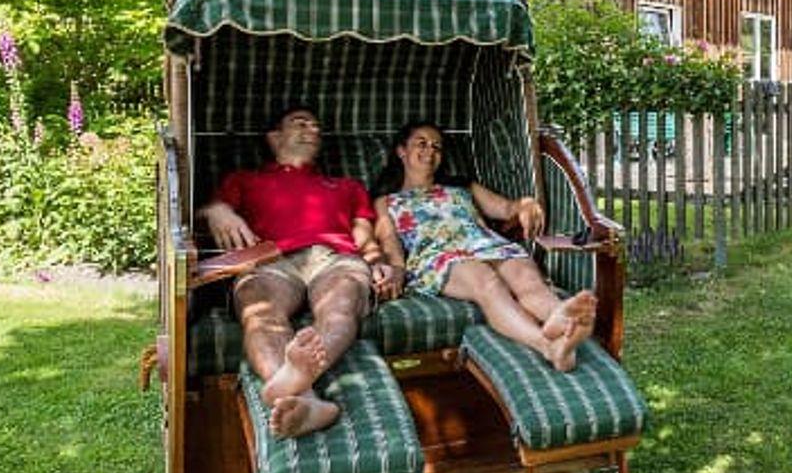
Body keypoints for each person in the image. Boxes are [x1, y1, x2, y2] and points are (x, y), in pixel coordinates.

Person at [195, 105, 401, 438]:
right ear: (274, 137)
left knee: (342, 304)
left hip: (336, 258)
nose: (312, 129)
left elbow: (364, 234)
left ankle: (291, 387)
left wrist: (378, 262)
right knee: (258, 309)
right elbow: (201, 214)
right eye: (300, 123)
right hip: (270, 259)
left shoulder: (347, 186)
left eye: (316, 126)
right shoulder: (244, 180)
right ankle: (306, 401)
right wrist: (217, 210)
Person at [370, 122, 596, 371]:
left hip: (486, 243)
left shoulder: (462, 187)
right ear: (401, 151)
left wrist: (526, 203)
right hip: (439, 256)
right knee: (487, 281)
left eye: (437, 147)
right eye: (421, 144)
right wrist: (397, 270)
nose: (430, 151)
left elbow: (507, 208)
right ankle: (547, 346)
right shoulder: (386, 201)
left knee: (527, 279)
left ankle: (563, 321)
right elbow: (389, 241)